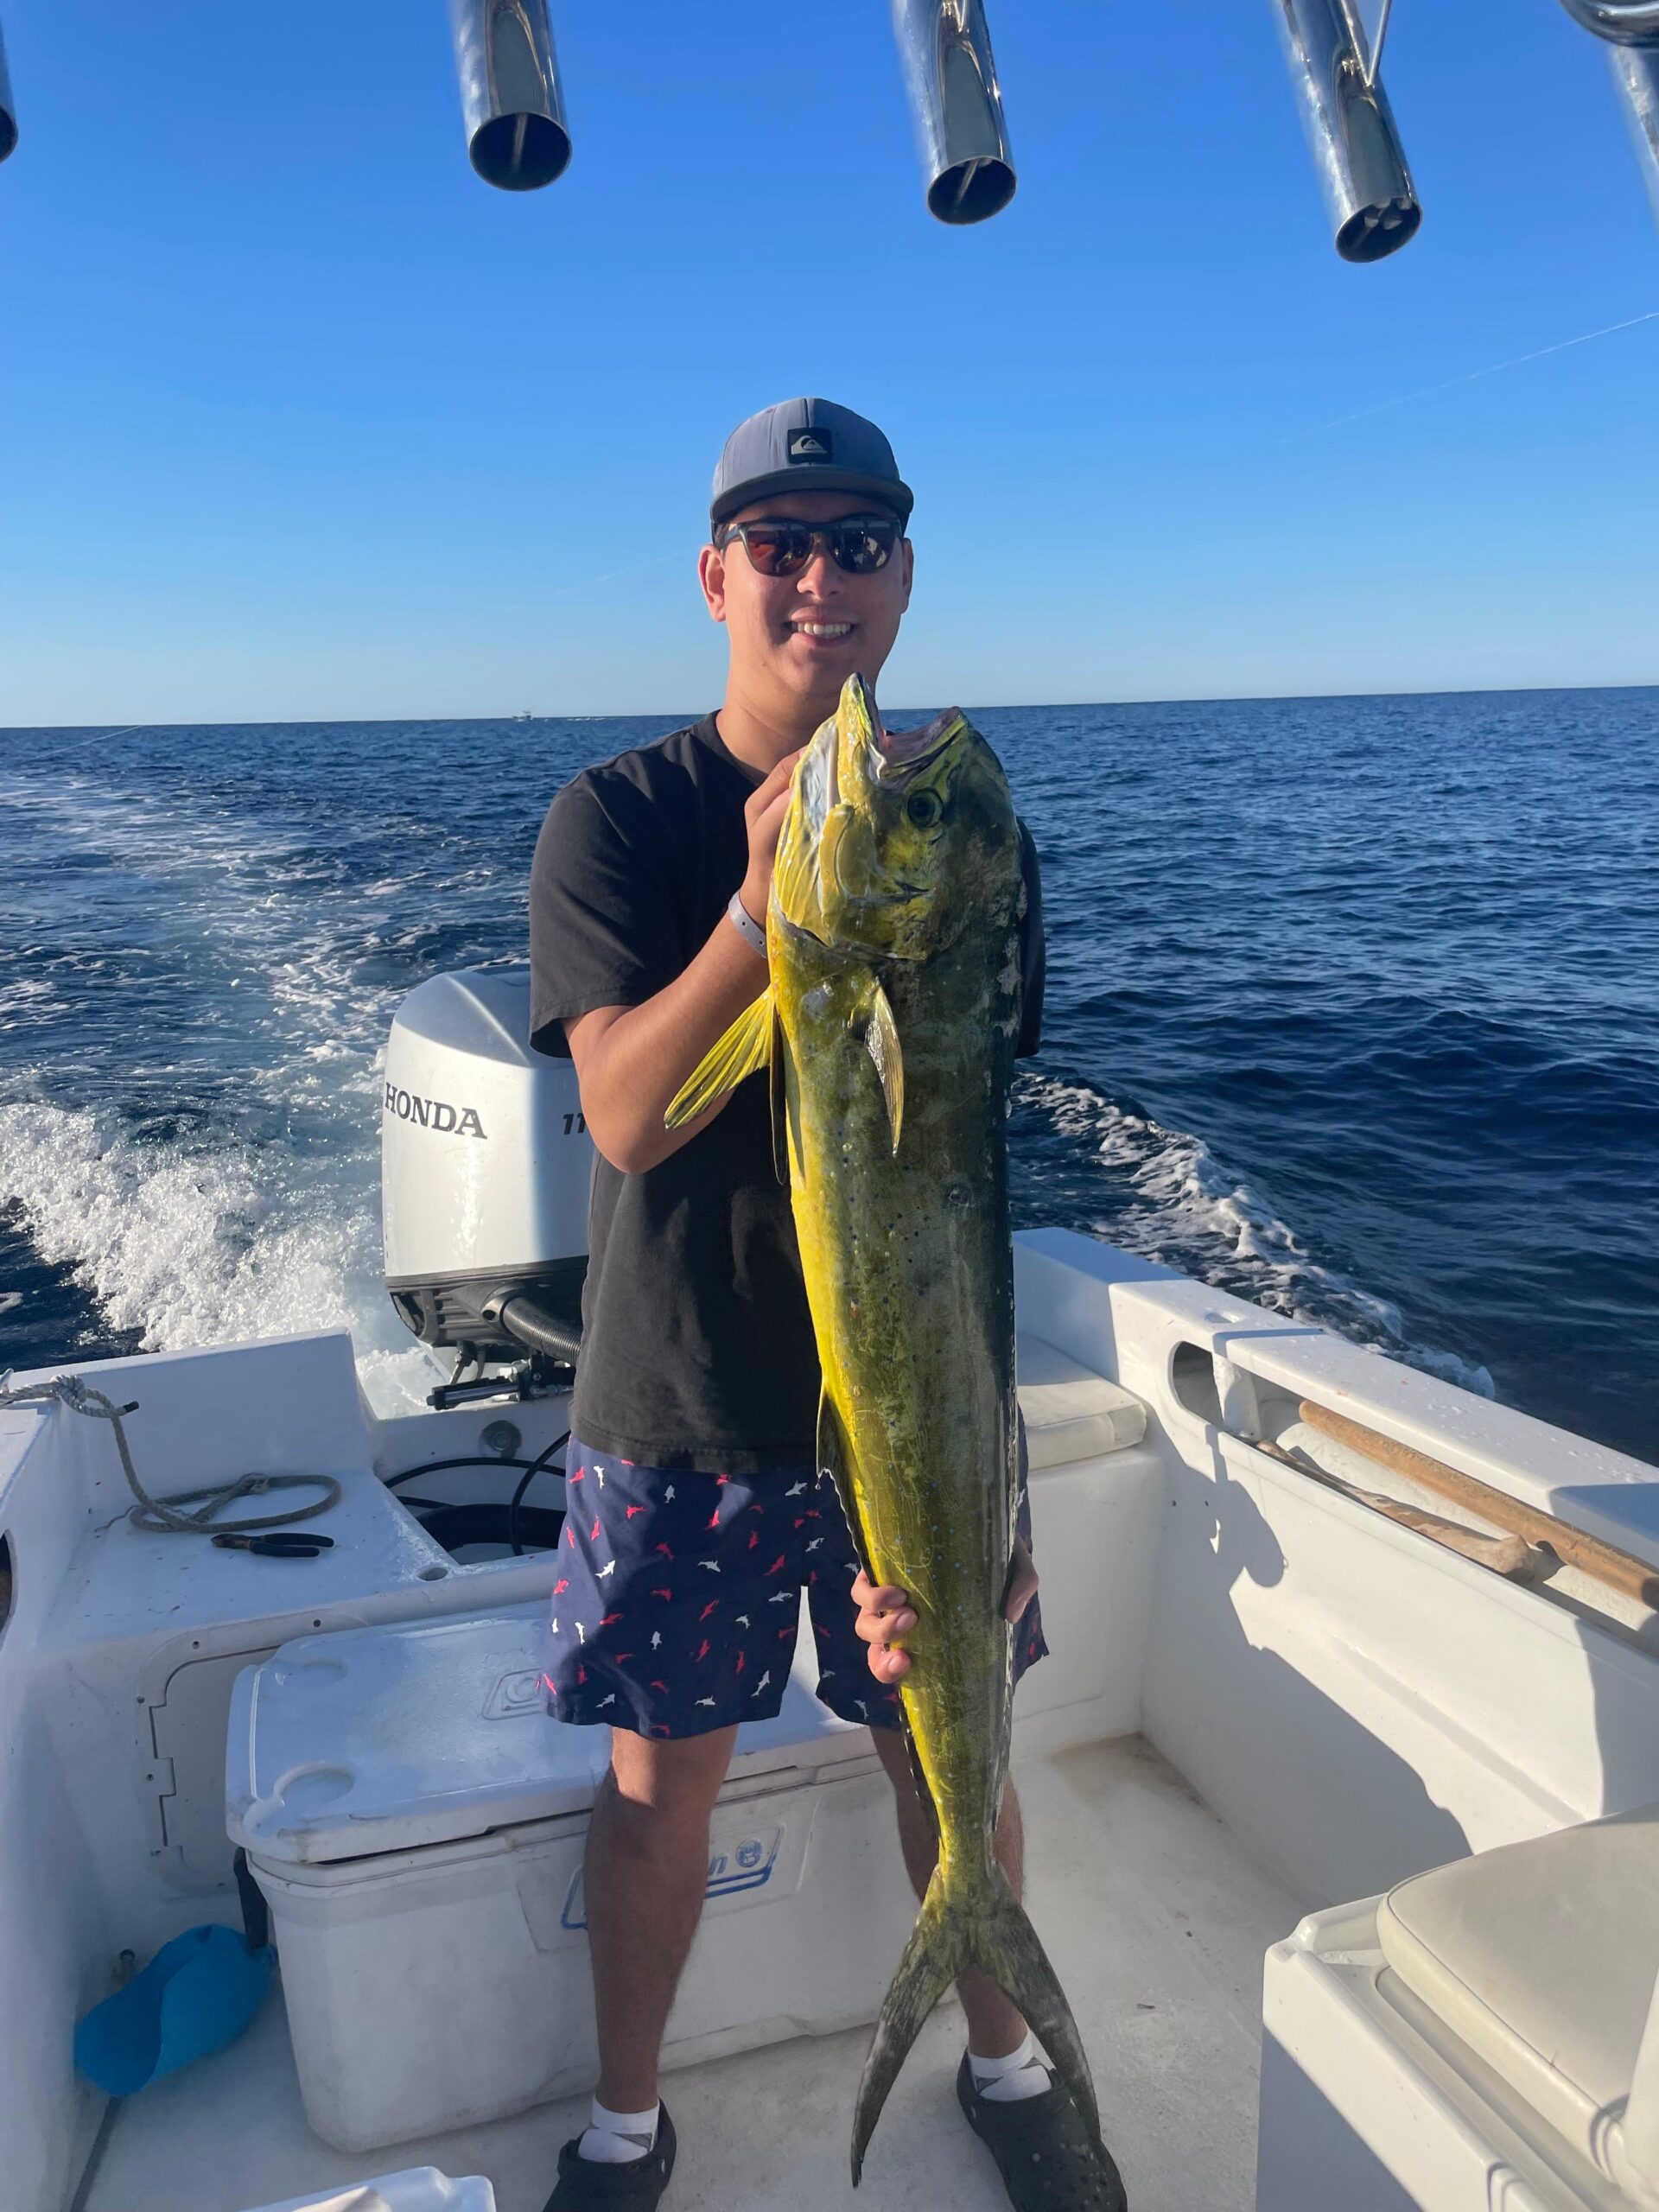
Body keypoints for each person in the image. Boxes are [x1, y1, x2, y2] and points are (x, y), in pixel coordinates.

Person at [529, 398, 1123, 2212]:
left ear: (904, 576)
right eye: (779, 542)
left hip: (919, 1412)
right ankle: (627, 2125)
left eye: (857, 541)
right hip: (688, 1400)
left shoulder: (957, 814)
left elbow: (958, 1136)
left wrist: (980, 1473)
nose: (819, 578)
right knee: (659, 1790)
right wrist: (763, 908)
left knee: (949, 1743)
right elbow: (625, 1110)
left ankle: (1011, 2062)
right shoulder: (618, 818)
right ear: (714, 575)